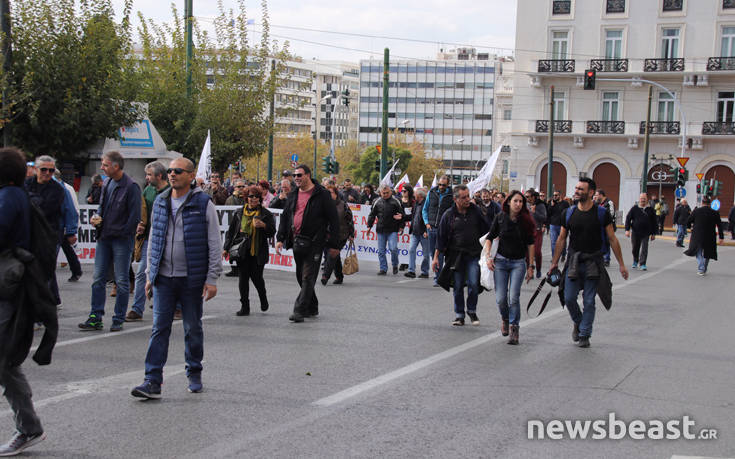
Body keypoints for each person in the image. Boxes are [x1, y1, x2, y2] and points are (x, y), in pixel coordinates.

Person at [131, 158, 222, 399]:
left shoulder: (203, 203)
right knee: (159, 329)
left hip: (191, 278)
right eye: (170, 171)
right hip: (164, 279)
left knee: (192, 328)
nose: (172, 174)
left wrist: (212, 278)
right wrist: (151, 273)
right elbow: (155, 239)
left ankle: (194, 371)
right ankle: (152, 380)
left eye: (178, 171)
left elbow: (214, 241)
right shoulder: (160, 202)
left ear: (191, 176)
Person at [0, 147, 56, 456]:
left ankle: (29, 428)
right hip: (10, 285)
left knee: (5, 362)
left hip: (8, 287)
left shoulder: (9, 198)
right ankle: (29, 427)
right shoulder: (15, 195)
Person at [549, 178, 628, 348]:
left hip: (593, 262)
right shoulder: (568, 213)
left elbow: (612, 239)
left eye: (581, 189)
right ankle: (578, 322)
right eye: (576, 188)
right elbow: (561, 239)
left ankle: (584, 333)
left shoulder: (601, 214)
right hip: (573, 262)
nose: (576, 191)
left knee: (589, 300)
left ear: (591, 192)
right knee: (569, 298)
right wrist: (554, 263)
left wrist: (621, 264)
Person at [79, 151, 141, 332]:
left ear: (116, 166)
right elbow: (101, 206)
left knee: (121, 280)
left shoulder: (131, 186)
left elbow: (134, 216)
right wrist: (97, 218)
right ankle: (95, 316)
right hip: (104, 238)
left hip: (121, 240)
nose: (102, 168)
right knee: (98, 278)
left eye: (105, 165)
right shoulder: (107, 183)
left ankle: (118, 318)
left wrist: (122, 232)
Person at [275, 165, 339, 323]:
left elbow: (334, 219)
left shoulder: (322, 194)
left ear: (308, 175)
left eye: (299, 175)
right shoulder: (294, 194)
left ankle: (299, 310)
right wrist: (280, 238)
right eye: (294, 175)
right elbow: (285, 217)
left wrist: (334, 245)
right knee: (300, 276)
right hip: (297, 241)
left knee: (308, 276)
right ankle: (313, 305)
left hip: (315, 242)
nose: (296, 178)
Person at [433, 185, 490, 327]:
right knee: (458, 286)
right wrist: (435, 258)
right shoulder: (448, 215)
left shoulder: (475, 211)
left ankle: (471, 310)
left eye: (468, 196)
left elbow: (487, 231)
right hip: (455, 256)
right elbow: (441, 238)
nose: (467, 200)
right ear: (455, 199)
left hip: (473, 255)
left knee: (473, 283)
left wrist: (489, 252)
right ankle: (459, 315)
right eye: (463, 197)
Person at [483, 190, 535, 344]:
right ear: (508, 203)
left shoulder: (525, 221)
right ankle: (505, 318)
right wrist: (488, 257)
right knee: (501, 299)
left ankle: (514, 327)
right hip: (501, 262)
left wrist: (531, 266)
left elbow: (531, 244)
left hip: (518, 263)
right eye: (516, 201)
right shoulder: (500, 218)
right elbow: (489, 238)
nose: (518, 204)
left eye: (521, 202)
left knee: (513, 297)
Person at [126, 161, 170, 322]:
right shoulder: (147, 190)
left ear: (159, 176)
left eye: (149, 175)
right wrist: (140, 223)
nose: (146, 177)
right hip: (148, 239)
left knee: (168, 274)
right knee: (141, 272)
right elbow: (141, 211)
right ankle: (137, 308)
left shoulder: (171, 192)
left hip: (166, 239)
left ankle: (174, 306)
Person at [24, 155, 69, 306]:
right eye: (44, 169)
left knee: (45, 271)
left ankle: (44, 306)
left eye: (51, 170)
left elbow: (45, 209)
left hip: (48, 236)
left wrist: (31, 201)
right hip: (28, 235)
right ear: (36, 169)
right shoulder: (27, 183)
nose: (47, 173)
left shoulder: (57, 189)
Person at [224, 185, 276, 316]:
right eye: (251, 196)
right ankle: (244, 306)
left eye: (257, 196)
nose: (254, 199)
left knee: (257, 278)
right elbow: (231, 233)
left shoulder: (266, 214)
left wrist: (263, 226)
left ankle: (263, 299)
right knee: (243, 279)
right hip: (242, 251)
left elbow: (272, 232)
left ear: (260, 198)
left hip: (258, 251)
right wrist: (226, 248)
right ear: (246, 198)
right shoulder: (239, 213)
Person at [367, 184, 406, 275]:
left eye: (387, 193)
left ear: (391, 192)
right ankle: (383, 268)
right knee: (381, 251)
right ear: (380, 192)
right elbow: (372, 215)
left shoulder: (397, 201)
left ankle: (395, 264)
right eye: (383, 193)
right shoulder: (376, 201)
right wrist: (369, 226)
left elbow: (402, 215)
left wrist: (401, 226)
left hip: (393, 229)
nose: (385, 194)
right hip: (381, 229)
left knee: (393, 248)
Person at [321, 184, 355, 285]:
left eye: (330, 193)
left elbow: (350, 220)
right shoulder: (324, 206)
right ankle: (339, 276)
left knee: (332, 254)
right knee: (334, 255)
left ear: (336, 194)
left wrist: (351, 234)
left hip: (341, 235)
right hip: (327, 235)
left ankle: (325, 276)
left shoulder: (343, 205)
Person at [423, 175, 453, 286]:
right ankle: (439, 276)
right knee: (433, 253)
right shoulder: (431, 193)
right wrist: (426, 223)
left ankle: (439, 278)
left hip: (445, 229)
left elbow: (454, 212)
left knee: (441, 254)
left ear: (448, 185)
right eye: (439, 184)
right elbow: (425, 209)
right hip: (432, 228)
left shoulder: (452, 195)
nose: (441, 187)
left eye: (443, 185)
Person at [53, 169, 82, 284]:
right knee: (67, 249)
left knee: (65, 250)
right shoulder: (66, 188)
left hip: (64, 225)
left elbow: (73, 208)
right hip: (63, 225)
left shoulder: (66, 189)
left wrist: (72, 228)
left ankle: (76, 270)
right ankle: (76, 270)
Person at [685, 196, 725, 276]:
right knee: (708, 252)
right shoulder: (715, 213)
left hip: (698, 234)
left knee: (698, 251)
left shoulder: (696, 211)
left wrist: (690, 227)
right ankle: (703, 268)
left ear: (702, 203)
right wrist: (721, 237)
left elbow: (688, 221)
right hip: (710, 235)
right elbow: (720, 226)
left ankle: (701, 268)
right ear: (710, 204)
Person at [624, 193, 657, 271]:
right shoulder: (634, 208)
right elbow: (628, 219)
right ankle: (635, 260)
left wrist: (653, 234)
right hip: (635, 232)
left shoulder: (650, 209)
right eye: (641, 198)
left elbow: (654, 222)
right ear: (639, 199)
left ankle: (643, 264)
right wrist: (627, 230)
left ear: (647, 199)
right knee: (635, 248)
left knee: (644, 248)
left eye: (644, 198)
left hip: (646, 232)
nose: (643, 200)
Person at [406, 188, 430, 279]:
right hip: (415, 233)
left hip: (424, 233)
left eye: (415, 194)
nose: (414, 195)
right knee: (411, 249)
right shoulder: (415, 203)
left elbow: (428, 218)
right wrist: (403, 217)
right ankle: (411, 271)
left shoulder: (427, 205)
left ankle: (425, 272)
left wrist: (427, 231)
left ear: (419, 196)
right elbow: (413, 216)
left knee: (426, 254)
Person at [525, 189, 547, 278]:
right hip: (527, 231)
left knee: (537, 252)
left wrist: (535, 212)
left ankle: (538, 269)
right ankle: (529, 271)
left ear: (533, 197)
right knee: (527, 253)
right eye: (525, 197)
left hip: (537, 230)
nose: (526, 198)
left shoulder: (540, 205)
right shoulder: (525, 205)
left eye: (527, 197)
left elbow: (544, 217)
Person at [594, 189, 616, 266]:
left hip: (607, 226)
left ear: (601, 195)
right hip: (598, 226)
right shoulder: (596, 203)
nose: (595, 197)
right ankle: (599, 257)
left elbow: (611, 214)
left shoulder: (609, 202)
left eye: (596, 195)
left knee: (607, 242)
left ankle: (606, 259)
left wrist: (603, 218)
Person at [547, 190, 569, 263]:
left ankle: (563, 254)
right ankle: (554, 257)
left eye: (556, 195)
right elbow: (548, 213)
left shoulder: (565, 203)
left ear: (560, 196)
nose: (554, 197)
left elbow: (567, 213)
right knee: (553, 242)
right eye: (554, 195)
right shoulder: (552, 203)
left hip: (562, 225)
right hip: (553, 225)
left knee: (562, 241)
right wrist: (552, 206)